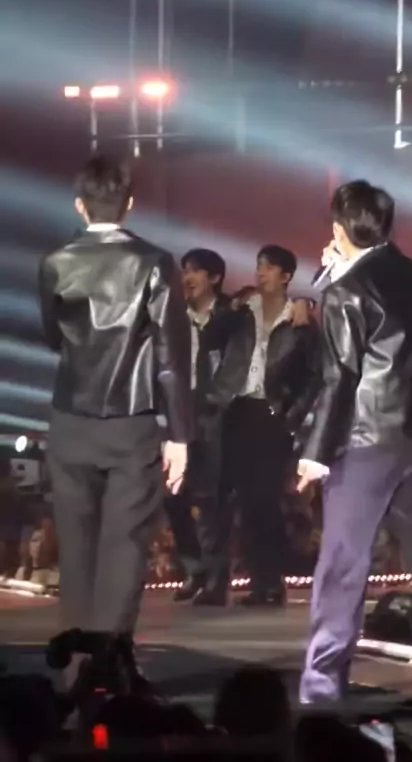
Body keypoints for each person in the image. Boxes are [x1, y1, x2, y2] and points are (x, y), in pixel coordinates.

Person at [297, 179, 412, 703]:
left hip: (367, 440)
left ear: (339, 228)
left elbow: (339, 377)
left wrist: (314, 455)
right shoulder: (407, 271)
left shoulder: (344, 291)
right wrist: (336, 273)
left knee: (343, 561)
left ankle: (322, 683)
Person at [38, 156, 191, 679]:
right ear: (128, 204)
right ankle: (109, 663)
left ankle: (76, 667)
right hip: (132, 418)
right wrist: (180, 435)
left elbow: (53, 336)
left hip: (70, 417)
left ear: (80, 206)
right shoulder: (154, 262)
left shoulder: (55, 262)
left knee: (76, 544)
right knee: (124, 544)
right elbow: (171, 357)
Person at [209, 245, 322, 607]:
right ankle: (244, 581)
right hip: (235, 408)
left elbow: (315, 375)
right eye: (259, 266)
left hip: (272, 414)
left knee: (264, 501)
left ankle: (269, 582)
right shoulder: (242, 310)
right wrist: (230, 309)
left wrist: (293, 416)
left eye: (269, 267)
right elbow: (210, 337)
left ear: (286, 276)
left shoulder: (300, 320)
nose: (261, 273)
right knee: (235, 499)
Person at [166, 248, 236, 606]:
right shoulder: (175, 316)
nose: (187, 278)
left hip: (215, 417)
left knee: (211, 501)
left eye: (195, 271)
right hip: (180, 413)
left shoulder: (232, 316)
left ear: (215, 278)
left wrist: (216, 402)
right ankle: (194, 569)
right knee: (173, 495)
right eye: (184, 271)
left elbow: (238, 363)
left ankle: (216, 578)